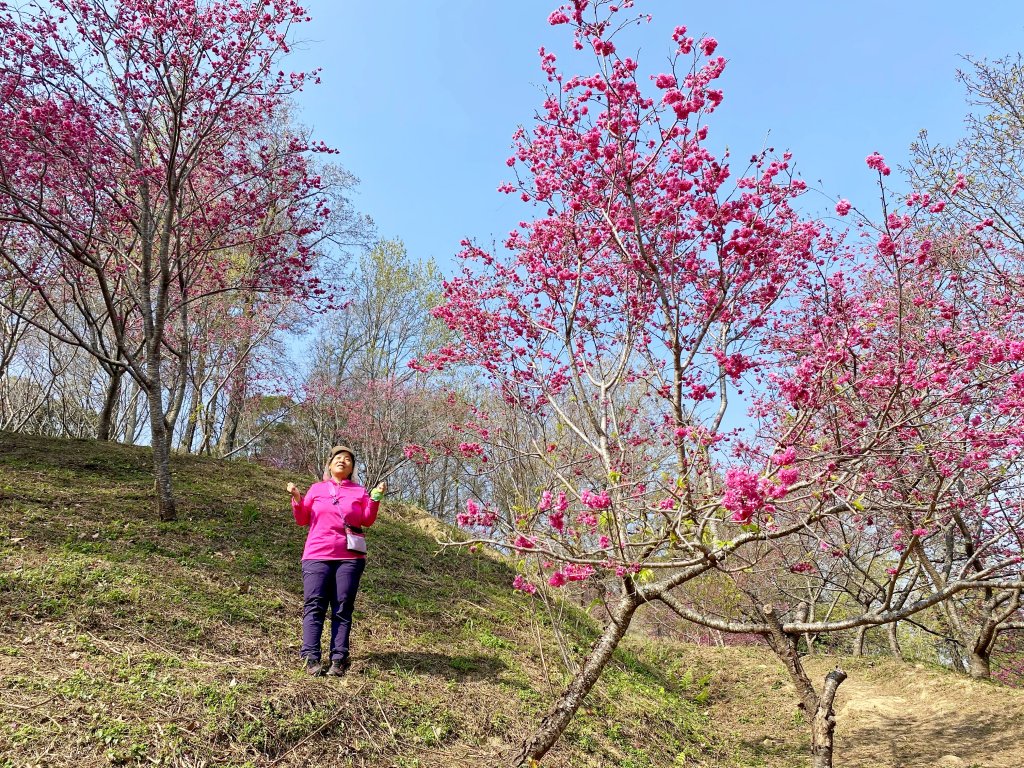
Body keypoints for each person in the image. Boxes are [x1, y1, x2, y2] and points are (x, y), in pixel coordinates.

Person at [287, 445, 386, 677]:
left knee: (342, 607)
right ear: (330, 464)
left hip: (349, 558)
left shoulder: (359, 491)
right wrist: (297, 499)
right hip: (317, 555)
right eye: (339, 458)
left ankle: (339, 658)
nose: (343, 461)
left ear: (351, 468)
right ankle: (311, 657)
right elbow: (302, 519)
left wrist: (375, 498)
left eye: (348, 460)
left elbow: (367, 520)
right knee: (314, 605)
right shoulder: (316, 489)